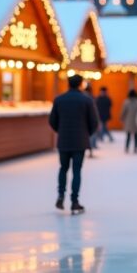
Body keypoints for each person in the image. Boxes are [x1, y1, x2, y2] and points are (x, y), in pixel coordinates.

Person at [49, 74, 99, 214]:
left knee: (63, 168)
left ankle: (60, 195)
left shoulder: (59, 100)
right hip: (80, 141)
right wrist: (86, 134)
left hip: (64, 141)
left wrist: (61, 131)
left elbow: (52, 120)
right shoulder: (86, 100)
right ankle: (74, 201)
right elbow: (94, 122)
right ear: (80, 84)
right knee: (76, 170)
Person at [120, 89, 137, 153]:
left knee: (128, 136)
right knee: (136, 136)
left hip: (128, 121)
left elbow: (123, 111)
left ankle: (127, 148)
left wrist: (121, 118)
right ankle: (136, 148)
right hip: (136, 121)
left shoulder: (126, 102)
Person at [84, 82, 99, 157]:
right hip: (89, 120)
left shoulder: (82, 97)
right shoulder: (91, 98)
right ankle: (90, 150)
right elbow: (94, 110)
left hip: (83, 120)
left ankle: (89, 150)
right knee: (91, 135)